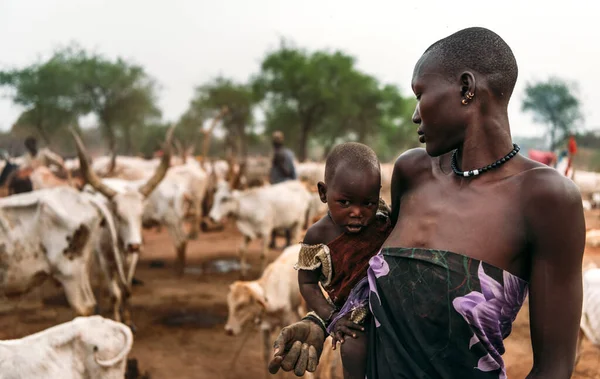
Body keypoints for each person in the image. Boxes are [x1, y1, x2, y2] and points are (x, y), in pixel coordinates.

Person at [268, 27, 585, 379]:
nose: (415, 115)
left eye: (420, 94)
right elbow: (374, 275)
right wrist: (322, 320)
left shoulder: (546, 198)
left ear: (466, 89)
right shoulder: (412, 172)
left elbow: (555, 366)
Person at [296, 142, 393, 379]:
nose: (357, 212)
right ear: (323, 193)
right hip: (352, 315)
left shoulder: (382, 217)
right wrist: (332, 318)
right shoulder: (317, 236)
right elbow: (307, 284)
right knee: (351, 348)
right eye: (345, 203)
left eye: (367, 203)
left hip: (392, 304)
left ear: (377, 195)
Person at [268, 130, 298, 248]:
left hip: (281, 187)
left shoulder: (281, 154)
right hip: (281, 186)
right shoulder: (285, 153)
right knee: (278, 212)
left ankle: (283, 240)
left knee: (278, 212)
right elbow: (292, 172)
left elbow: (288, 171)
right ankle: (280, 240)